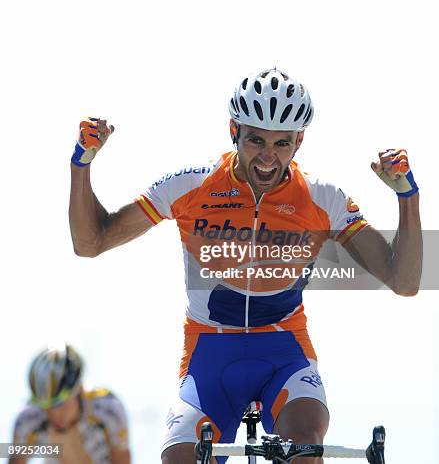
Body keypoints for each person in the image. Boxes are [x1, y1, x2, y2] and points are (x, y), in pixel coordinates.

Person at [69, 68, 422, 464]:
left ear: (299, 140)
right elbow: (91, 242)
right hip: (209, 353)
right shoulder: (189, 187)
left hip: (284, 350)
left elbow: (404, 281)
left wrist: (407, 197)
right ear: (233, 130)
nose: (268, 157)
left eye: (282, 143)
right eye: (256, 140)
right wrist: (81, 165)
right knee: (179, 459)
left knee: (304, 446)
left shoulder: (324, 198)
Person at [9, 344, 131, 464]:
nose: (53, 414)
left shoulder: (108, 411)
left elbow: (121, 459)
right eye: (44, 405)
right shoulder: (28, 420)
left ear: (79, 390)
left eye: (59, 403)